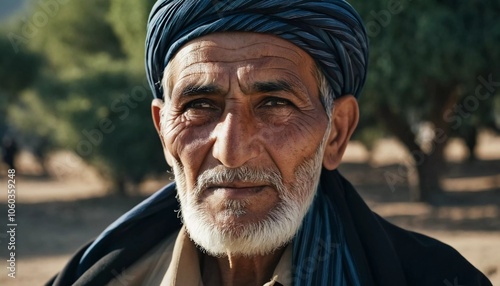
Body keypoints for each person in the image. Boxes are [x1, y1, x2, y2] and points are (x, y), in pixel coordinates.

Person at [48, 0, 492, 285]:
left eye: (274, 103)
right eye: (200, 105)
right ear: (164, 131)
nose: (230, 149)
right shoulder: (93, 278)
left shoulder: (435, 278)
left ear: (336, 132)